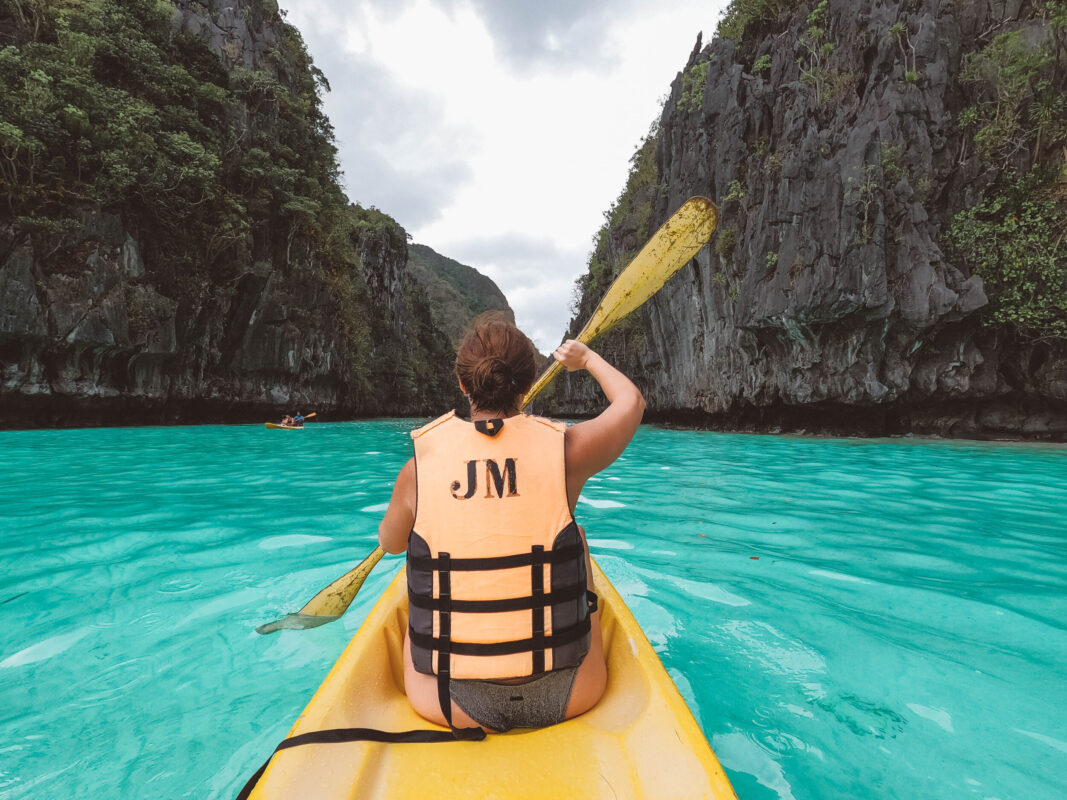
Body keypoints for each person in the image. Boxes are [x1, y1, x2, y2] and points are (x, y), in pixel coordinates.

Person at [378, 316, 645, 733]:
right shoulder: (567, 452)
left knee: (420, 548)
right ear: (526, 385)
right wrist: (587, 358)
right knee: (577, 536)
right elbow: (630, 402)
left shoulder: (419, 469)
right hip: (572, 693)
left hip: (449, 703)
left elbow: (391, 543)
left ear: (464, 385)